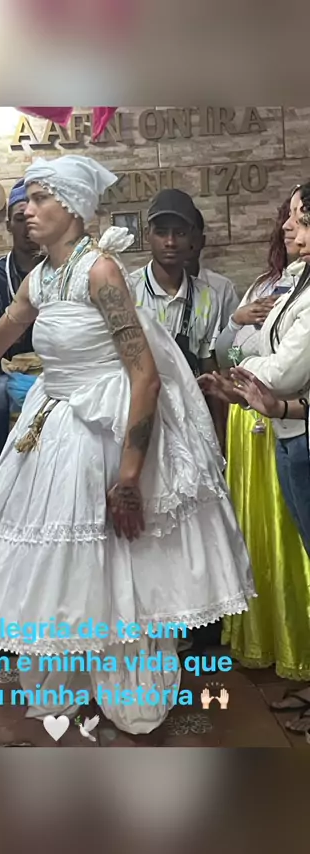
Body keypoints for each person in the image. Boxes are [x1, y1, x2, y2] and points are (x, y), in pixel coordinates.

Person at [0, 154, 254, 739]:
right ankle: (77, 673)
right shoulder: (40, 278)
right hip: (54, 426)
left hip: (106, 429)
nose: (26, 210)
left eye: (40, 199)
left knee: (119, 562)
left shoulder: (101, 271)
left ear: (73, 208)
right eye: (25, 200)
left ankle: (128, 686)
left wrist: (129, 477)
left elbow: (145, 376)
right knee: (66, 560)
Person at [198, 196, 310, 688]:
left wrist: (245, 375)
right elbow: (235, 349)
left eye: (301, 220)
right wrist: (239, 336)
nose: (289, 229)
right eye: (288, 219)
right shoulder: (279, 284)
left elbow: (284, 371)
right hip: (279, 424)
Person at [130, 189, 226, 445]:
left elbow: (209, 366)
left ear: (193, 238)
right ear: (147, 235)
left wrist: (220, 438)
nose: (170, 242)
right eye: (161, 232)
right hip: (140, 417)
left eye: (180, 233)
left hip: (191, 421)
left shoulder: (207, 297)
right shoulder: (128, 292)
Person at [0, 179, 41, 454]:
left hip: (54, 368)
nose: (28, 226)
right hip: (7, 369)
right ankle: (2, 461)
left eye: (33, 217)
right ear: (9, 225)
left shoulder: (58, 271)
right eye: (20, 219)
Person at [185, 208, 239, 330]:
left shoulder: (223, 289)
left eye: (192, 238)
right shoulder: (142, 289)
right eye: (181, 235)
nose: (187, 245)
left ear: (202, 241)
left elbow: (236, 338)